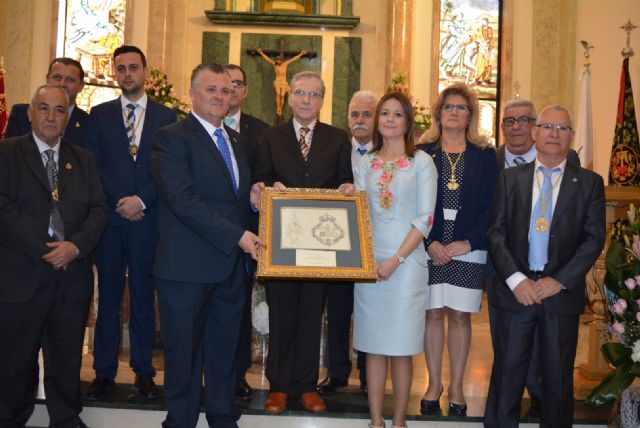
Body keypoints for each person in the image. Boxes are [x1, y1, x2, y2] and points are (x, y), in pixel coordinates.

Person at [151, 63, 262, 428]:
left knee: (224, 352)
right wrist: (237, 236)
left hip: (229, 269)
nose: (220, 96)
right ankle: (180, 421)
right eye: (211, 89)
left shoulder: (236, 141)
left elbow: (229, 198)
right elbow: (181, 200)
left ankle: (222, 417)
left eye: (226, 90)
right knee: (183, 354)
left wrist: (253, 197)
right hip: (186, 268)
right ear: (192, 94)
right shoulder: (172, 137)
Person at [484, 105, 605, 427]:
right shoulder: (510, 179)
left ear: (571, 136)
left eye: (562, 128)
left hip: (559, 295)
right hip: (516, 293)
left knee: (557, 377)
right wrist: (516, 279)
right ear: (535, 132)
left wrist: (558, 281)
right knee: (507, 374)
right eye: (548, 126)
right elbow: (495, 233)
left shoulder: (589, 183)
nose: (554, 134)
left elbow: (593, 239)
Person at [0, 84, 108, 428]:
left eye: (59, 110)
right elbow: (4, 208)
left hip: (70, 278)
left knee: (66, 358)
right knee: (15, 361)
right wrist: (46, 248)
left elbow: (99, 209)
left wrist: (73, 247)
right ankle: (11, 418)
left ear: (66, 117)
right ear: (30, 113)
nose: (50, 116)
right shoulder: (6, 153)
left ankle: (65, 418)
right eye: (43, 108)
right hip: (21, 276)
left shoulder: (84, 159)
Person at [251, 71, 353, 414]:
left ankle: (307, 386)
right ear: (290, 97)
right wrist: (267, 188)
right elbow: (260, 179)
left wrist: (347, 189)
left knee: (312, 314)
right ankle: (279, 387)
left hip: (322, 245)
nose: (306, 100)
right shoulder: (269, 137)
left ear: (322, 100)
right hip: (282, 242)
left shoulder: (338, 139)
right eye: (300, 93)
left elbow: (345, 180)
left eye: (313, 94)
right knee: (281, 314)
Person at [85, 45, 177, 400]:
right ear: (114, 72)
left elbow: (168, 168)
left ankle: (143, 371)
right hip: (111, 221)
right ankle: (104, 372)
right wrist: (121, 201)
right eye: (121, 68)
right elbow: (94, 165)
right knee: (108, 299)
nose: (127, 74)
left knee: (142, 298)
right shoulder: (99, 114)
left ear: (145, 72)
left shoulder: (166, 116)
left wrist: (141, 200)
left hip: (147, 221)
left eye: (133, 67)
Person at [353, 91, 437, 428]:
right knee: (373, 347)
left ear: (407, 122)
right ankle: (376, 421)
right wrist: (347, 196)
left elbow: (426, 219)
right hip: (371, 265)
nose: (390, 119)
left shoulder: (422, 162)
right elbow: (360, 212)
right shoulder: (366, 162)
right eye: (385, 113)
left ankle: (399, 422)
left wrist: (396, 260)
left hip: (406, 265)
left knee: (401, 348)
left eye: (397, 114)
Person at [416, 82, 498, 417]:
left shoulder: (485, 155)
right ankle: (434, 384)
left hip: (469, 247)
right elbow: (413, 201)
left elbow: (493, 206)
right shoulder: (422, 152)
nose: (454, 112)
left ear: (470, 116)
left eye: (461, 108)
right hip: (431, 246)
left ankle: (458, 386)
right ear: (438, 113)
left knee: (460, 316)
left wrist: (469, 242)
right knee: (433, 313)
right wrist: (430, 242)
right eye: (448, 107)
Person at [317, 90, 378, 396]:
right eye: (355, 114)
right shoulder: (335, 148)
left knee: (369, 311)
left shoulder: (386, 154)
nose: (360, 120)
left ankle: (368, 374)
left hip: (375, 244)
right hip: (339, 245)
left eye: (367, 114)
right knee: (338, 311)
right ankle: (337, 372)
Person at [222, 63, 270, 401]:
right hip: (206, 235)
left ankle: (237, 374)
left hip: (246, 235)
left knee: (239, 308)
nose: (231, 90)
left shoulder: (261, 131)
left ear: (246, 90)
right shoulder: (197, 129)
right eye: (225, 83)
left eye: (237, 83)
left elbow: (264, 175)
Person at [5, 58, 89, 147]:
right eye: (57, 77)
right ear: (47, 79)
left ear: (81, 86)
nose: (62, 84)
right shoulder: (20, 114)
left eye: (70, 80)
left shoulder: (88, 123)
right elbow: (9, 151)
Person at [255, 47, 307, 117]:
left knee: (282, 95)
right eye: (277, 60)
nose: (278, 61)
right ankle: (278, 109)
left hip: (284, 82)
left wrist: (301, 54)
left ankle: (280, 108)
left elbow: (294, 59)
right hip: (277, 81)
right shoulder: (275, 65)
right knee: (278, 94)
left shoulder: (285, 64)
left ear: (281, 60)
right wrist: (261, 52)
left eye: (279, 60)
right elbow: (267, 59)